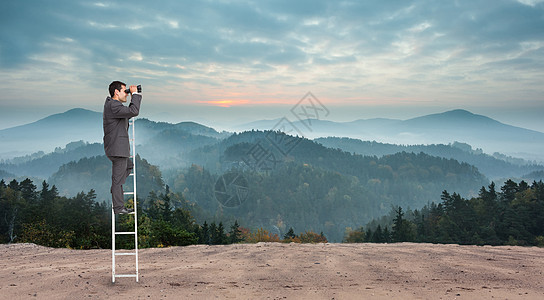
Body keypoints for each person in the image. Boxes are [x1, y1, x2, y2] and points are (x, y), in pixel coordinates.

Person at [103, 81, 142, 214]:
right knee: (117, 179)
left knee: (129, 166)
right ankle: (118, 208)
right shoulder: (114, 105)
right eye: (124, 91)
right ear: (116, 92)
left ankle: (116, 187)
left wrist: (131, 96)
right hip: (117, 150)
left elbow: (129, 112)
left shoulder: (113, 105)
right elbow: (134, 111)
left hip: (117, 148)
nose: (126, 93)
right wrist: (135, 94)